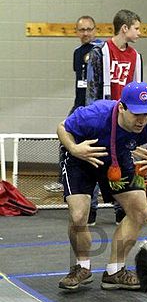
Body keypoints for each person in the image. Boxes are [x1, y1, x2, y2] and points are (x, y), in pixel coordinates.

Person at [57, 81, 147, 291]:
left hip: (117, 160)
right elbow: (62, 128)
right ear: (122, 107)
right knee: (79, 215)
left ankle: (115, 271)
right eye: (136, 114)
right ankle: (82, 267)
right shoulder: (96, 114)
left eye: (146, 114)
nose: (141, 120)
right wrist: (74, 148)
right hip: (82, 159)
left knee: (140, 211)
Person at [86, 9, 143, 225]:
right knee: (95, 162)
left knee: (123, 163)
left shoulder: (136, 58)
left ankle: (122, 209)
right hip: (103, 117)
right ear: (124, 28)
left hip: (124, 121)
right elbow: (92, 91)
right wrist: (92, 120)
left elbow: (138, 90)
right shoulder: (99, 53)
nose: (139, 33)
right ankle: (90, 210)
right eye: (136, 28)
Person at [44, 15, 101, 225]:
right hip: (78, 107)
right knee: (71, 150)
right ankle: (81, 201)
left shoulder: (101, 51)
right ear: (76, 32)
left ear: (95, 30)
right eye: (81, 30)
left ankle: (107, 208)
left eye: (89, 29)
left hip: (94, 110)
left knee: (98, 156)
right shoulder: (78, 53)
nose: (85, 33)